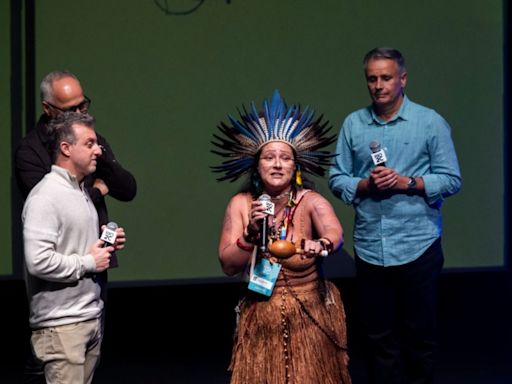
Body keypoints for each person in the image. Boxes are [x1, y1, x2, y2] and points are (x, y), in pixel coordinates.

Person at [328, 47, 462, 384]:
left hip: (418, 244)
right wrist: (364, 185)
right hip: (372, 247)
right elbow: (336, 177)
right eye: (371, 79)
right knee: (378, 340)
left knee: (420, 340)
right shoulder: (354, 124)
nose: (378, 85)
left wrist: (407, 182)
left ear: (403, 79)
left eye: (386, 78)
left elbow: (452, 180)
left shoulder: (429, 122)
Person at [212, 90, 352, 384]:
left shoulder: (309, 201)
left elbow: (334, 232)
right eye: (269, 158)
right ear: (257, 165)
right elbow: (227, 264)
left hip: (310, 319)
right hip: (261, 320)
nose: (277, 164)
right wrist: (251, 234)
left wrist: (321, 243)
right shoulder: (242, 204)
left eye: (285, 158)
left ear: (295, 166)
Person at [14, 70, 137, 383]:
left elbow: (126, 187)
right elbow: (42, 251)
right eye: (73, 109)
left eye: (84, 105)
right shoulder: (34, 162)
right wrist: (96, 189)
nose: (83, 112)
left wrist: (95, 158)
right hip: (60, 312)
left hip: (88, 302)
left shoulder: (81, 170)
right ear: (49, 110)